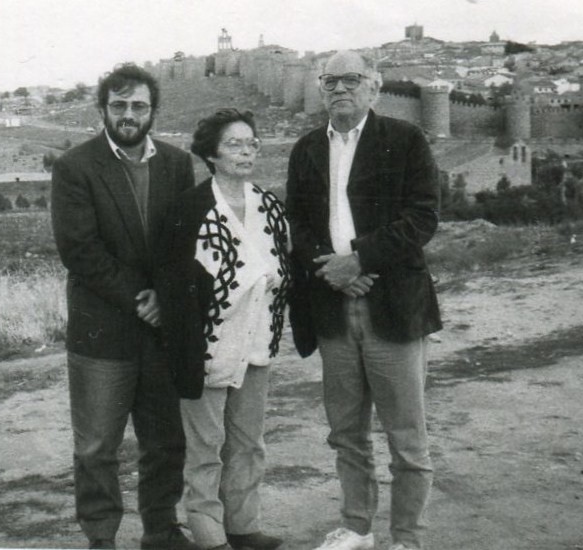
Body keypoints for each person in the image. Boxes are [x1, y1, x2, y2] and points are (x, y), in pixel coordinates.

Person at [285, 51, 443, 550]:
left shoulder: (405, 139)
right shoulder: (307, 148)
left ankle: (406, 538)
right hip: (333, 308)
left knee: (406, 437)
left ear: (374, 87)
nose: (339, 89)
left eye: (351, 80)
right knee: (346, 432)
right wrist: (331, 271)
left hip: (391, 304)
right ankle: (356, 528)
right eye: (329, 81)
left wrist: (359, 259)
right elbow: (297, 225)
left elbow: (423, 217)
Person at [50, 63, 199, 550]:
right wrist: (145, 298)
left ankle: (160, 530)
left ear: (153, 110)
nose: (129, 115)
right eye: (119, 105)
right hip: (103, 331)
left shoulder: (177, 164)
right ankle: (101, 538)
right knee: (97, 446)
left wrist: (167, 297)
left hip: (161, 333)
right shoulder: (75, 166)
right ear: (103, 109)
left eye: (138, 106)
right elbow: (80, 251)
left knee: (166, 441)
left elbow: (184, 242)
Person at [155, 108, 290, 550]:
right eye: (234, 144)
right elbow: (174, 291)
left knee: (249, 443)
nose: (246, 151)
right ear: (211, 154)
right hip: (207, 346)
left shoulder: (269, 206)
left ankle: (243, 525)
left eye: (252, 143)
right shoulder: (188, 210)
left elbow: (285, 268)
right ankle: (208, 532)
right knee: (205, 446)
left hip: (257, 343)